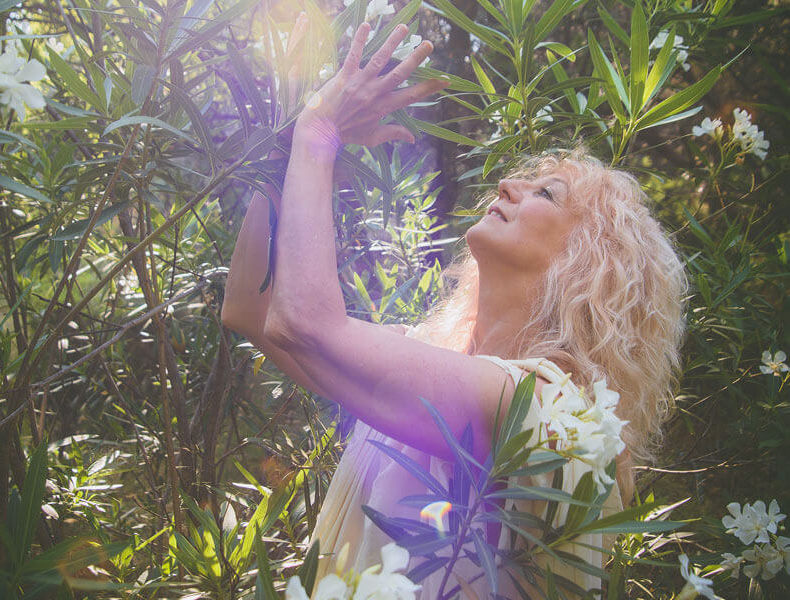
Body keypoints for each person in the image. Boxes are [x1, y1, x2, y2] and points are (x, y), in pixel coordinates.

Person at [221, 17, 686, 599]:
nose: (511, 186)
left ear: (593, 260)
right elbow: (250, 309)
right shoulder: (431, 356)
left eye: (547, 193)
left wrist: (318, 134)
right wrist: (288, 155)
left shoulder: (544, 408)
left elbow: (305, 326)